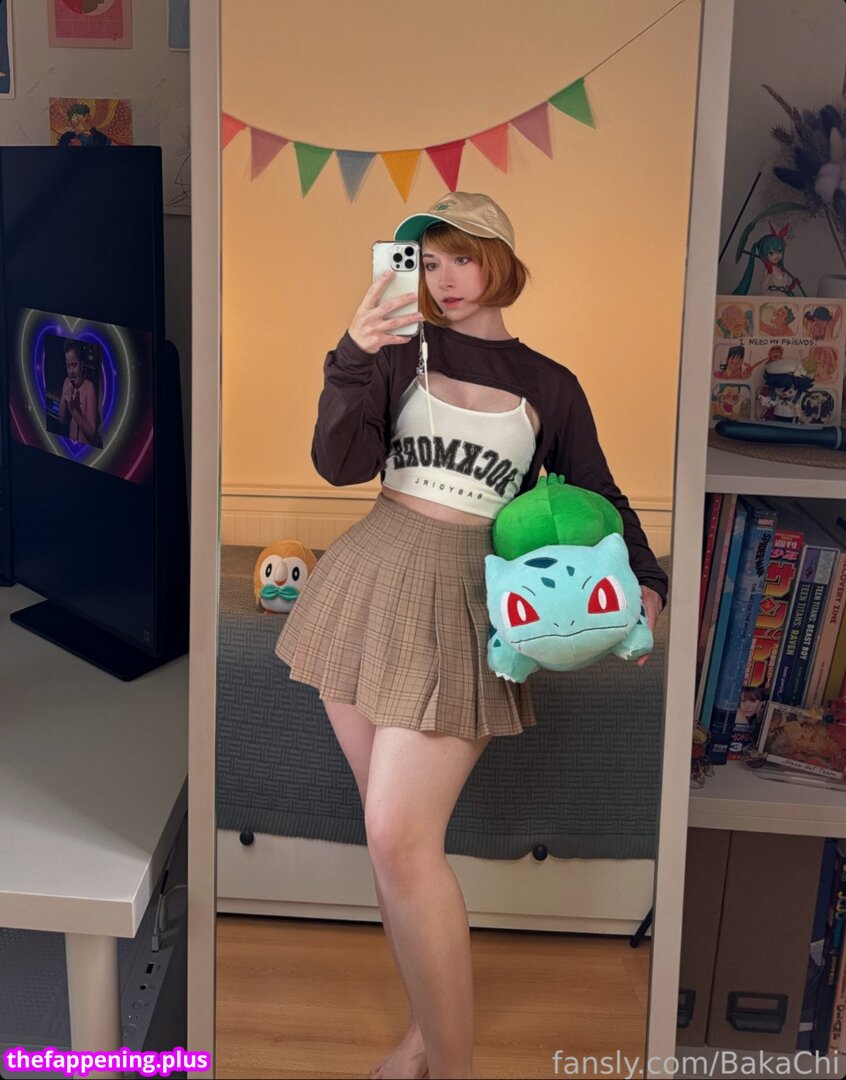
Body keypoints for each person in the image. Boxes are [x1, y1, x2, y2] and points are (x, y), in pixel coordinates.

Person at [274, 192, 668, 1080]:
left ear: (499, 262)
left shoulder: (550, 383)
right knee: (392, 845)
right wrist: (351, 354)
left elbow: (601, 493)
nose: (445, 278)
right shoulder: (393, 350)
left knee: (399, 837)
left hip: (462, 600)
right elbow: (338, 465)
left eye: (462, 257)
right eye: (429, 260)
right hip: (368, 580)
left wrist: (650, 581)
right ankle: (424, 1036)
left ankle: (450, 1064)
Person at [58, 339, 100, 446]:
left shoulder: (89, 387)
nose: (71, 371)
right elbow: (61, 420)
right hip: (71, 446)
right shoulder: (66, 382)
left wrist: (73, 410)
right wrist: (64, 400)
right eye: (68, 366)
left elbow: (92, 432)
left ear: (81, 365)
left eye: (74, 365)